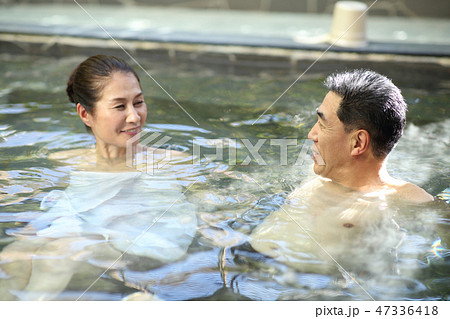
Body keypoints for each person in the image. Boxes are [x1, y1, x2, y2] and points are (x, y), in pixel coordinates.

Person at [0, 55, 197, 300]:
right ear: (85, 114)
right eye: (119, 106)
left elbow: (209, 203)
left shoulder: (172, 162)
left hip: (145, 244)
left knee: (59, 254)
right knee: (11, 257)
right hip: (84, 234)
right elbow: (60, 202)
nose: (134, 117)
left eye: (138, 102)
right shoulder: (66, 161)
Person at [250, 69, 434, 277]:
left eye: (322, 124)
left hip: (305, 289)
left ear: (358, 142)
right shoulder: (315, 174)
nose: (311, 134)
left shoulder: (405, 199)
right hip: (247, 267)